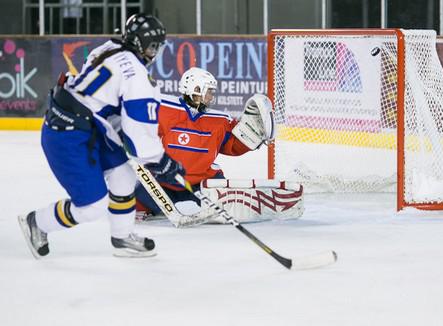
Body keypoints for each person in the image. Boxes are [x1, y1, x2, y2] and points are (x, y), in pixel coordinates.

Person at [18, 13, 184, 259]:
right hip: (68, 135)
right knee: (92, 206)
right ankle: (38, 222)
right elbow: (140, 139)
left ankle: (122, 236)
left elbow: (101, 101)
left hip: (85, 124)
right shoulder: (138, 77)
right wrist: (161, 161)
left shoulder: (109, 48)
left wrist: (153, 158)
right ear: (141, 44)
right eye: (152, 46)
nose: (154, 52)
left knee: (124, 176)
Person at [135, 67, 279, 223]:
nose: (211, 97)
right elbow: (138, 126)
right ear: (194, 89)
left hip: (202, 184)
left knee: (225, 210)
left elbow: (234, 145)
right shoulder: (164, 108)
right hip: (164, 181)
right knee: (134, 204)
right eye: (208, 91)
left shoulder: (220, 120)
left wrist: (253, 136)